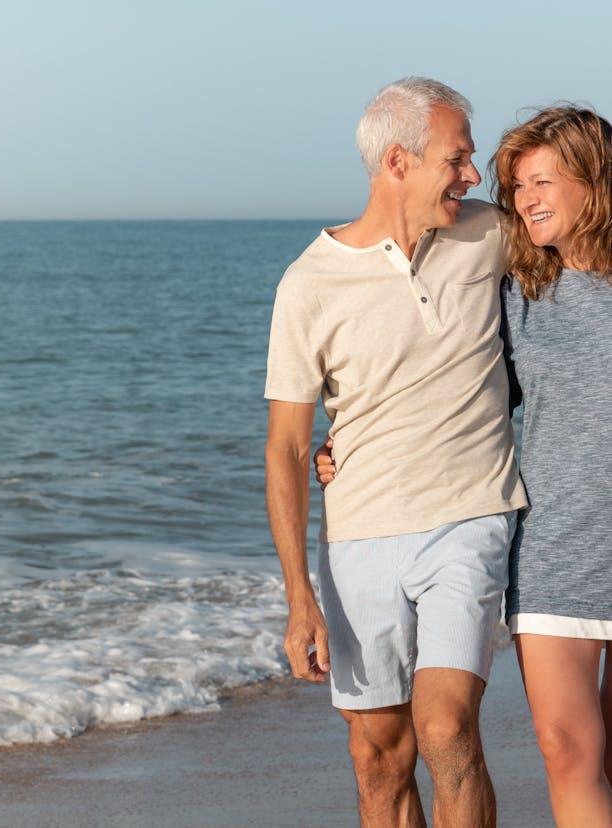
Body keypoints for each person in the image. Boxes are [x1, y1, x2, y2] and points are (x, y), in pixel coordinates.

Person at [264, 77, 527, 827]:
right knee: (378, 758)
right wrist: (298, 599)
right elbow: (286, 448)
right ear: (398, 162)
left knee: (446, 728)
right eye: (459, 158)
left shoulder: (489, 235)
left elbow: (580, 225)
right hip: (359, 539)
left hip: (470, 518)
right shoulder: (308, 283)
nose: (473, 176)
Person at [491, 106, 612, 826]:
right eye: (516, 187)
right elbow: (462, 403)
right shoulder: (520, 296)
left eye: (541, 180)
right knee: (565, 749)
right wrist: (344, 443)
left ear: (593, 178)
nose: (525, 198)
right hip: (554, 550)